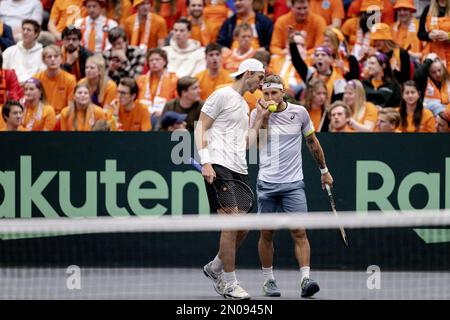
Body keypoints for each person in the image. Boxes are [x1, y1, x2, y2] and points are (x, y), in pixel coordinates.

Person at [250, 74, 333, 298]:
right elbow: (256, 145)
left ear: (283, 92)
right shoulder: (256, 114)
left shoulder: (300, 113)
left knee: (299, 231)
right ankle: (268, 280)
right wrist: (264, 117)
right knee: (267, 233)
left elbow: (312, 142)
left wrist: (324, 171)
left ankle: (306, 279)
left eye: (273, 93)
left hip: (293, 184)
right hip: (266, 183)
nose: (269, 97)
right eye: (265, 93)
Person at [194, 58, 268, 300]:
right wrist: (206, 160)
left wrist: (259, 118)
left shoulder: (244, 105)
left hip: (239, 168)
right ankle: (229, 282)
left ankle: (215, 267)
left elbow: (246, 143)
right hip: (219, 163)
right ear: (248, 73)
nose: (262, 81)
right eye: (260, 76)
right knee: (231, 222)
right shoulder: (221, 95)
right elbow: (200, 127)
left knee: (244, 225)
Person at [33, 44, 77, 116]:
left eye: (56, 56)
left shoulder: (70, 79)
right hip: (42, 116)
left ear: (61, 59)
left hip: (62, 117)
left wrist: (56, 118)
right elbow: (33, 104)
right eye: (49, 57)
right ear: (43, 60)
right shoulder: (37, 78)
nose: (53, 59)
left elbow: (71, 107)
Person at [2, 19, 46, 84]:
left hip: (34, 88)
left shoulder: (43, 53)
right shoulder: (9, 51)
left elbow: (43, 75)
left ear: (36, 34)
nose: (25, 32)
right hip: (13, 88)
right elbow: (3, 71)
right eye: (23, 29)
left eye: (28, 30)